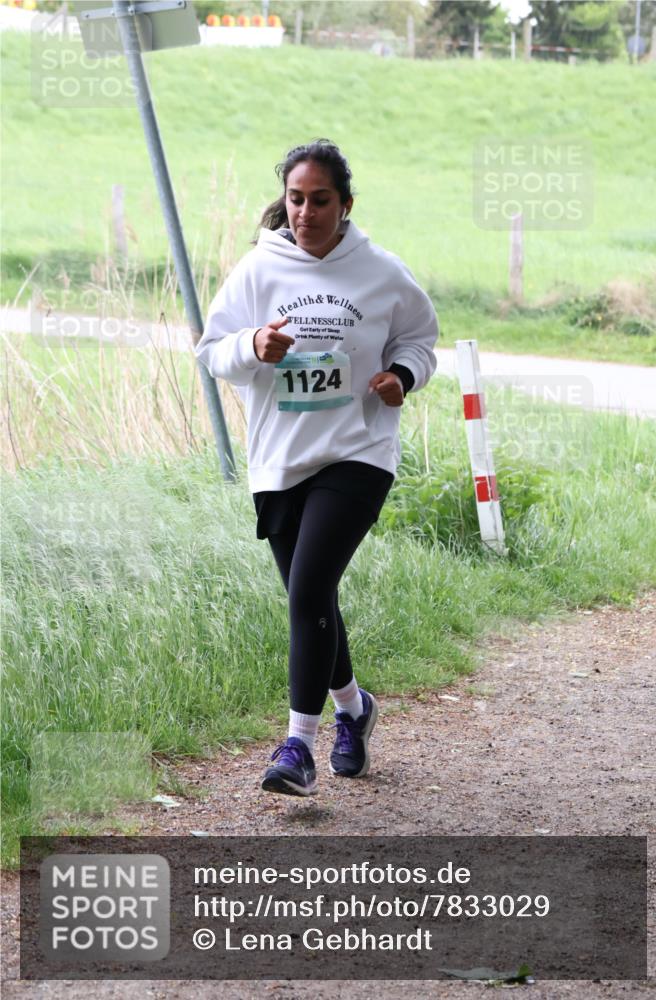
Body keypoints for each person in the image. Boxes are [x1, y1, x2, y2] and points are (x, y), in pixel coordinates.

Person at [195, 139, 439, 797]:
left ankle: (297, 747)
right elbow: (212, 351)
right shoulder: (257, 270)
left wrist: (402, 375)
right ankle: (354, 710)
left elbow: (420, 337)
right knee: (314, 599)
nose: (305, 212)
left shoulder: (382, 273)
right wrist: (252, 345)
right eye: (296, 199)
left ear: (345, 205)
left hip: (357, 451)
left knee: (306, 593)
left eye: (320, 200)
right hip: (280, 459)